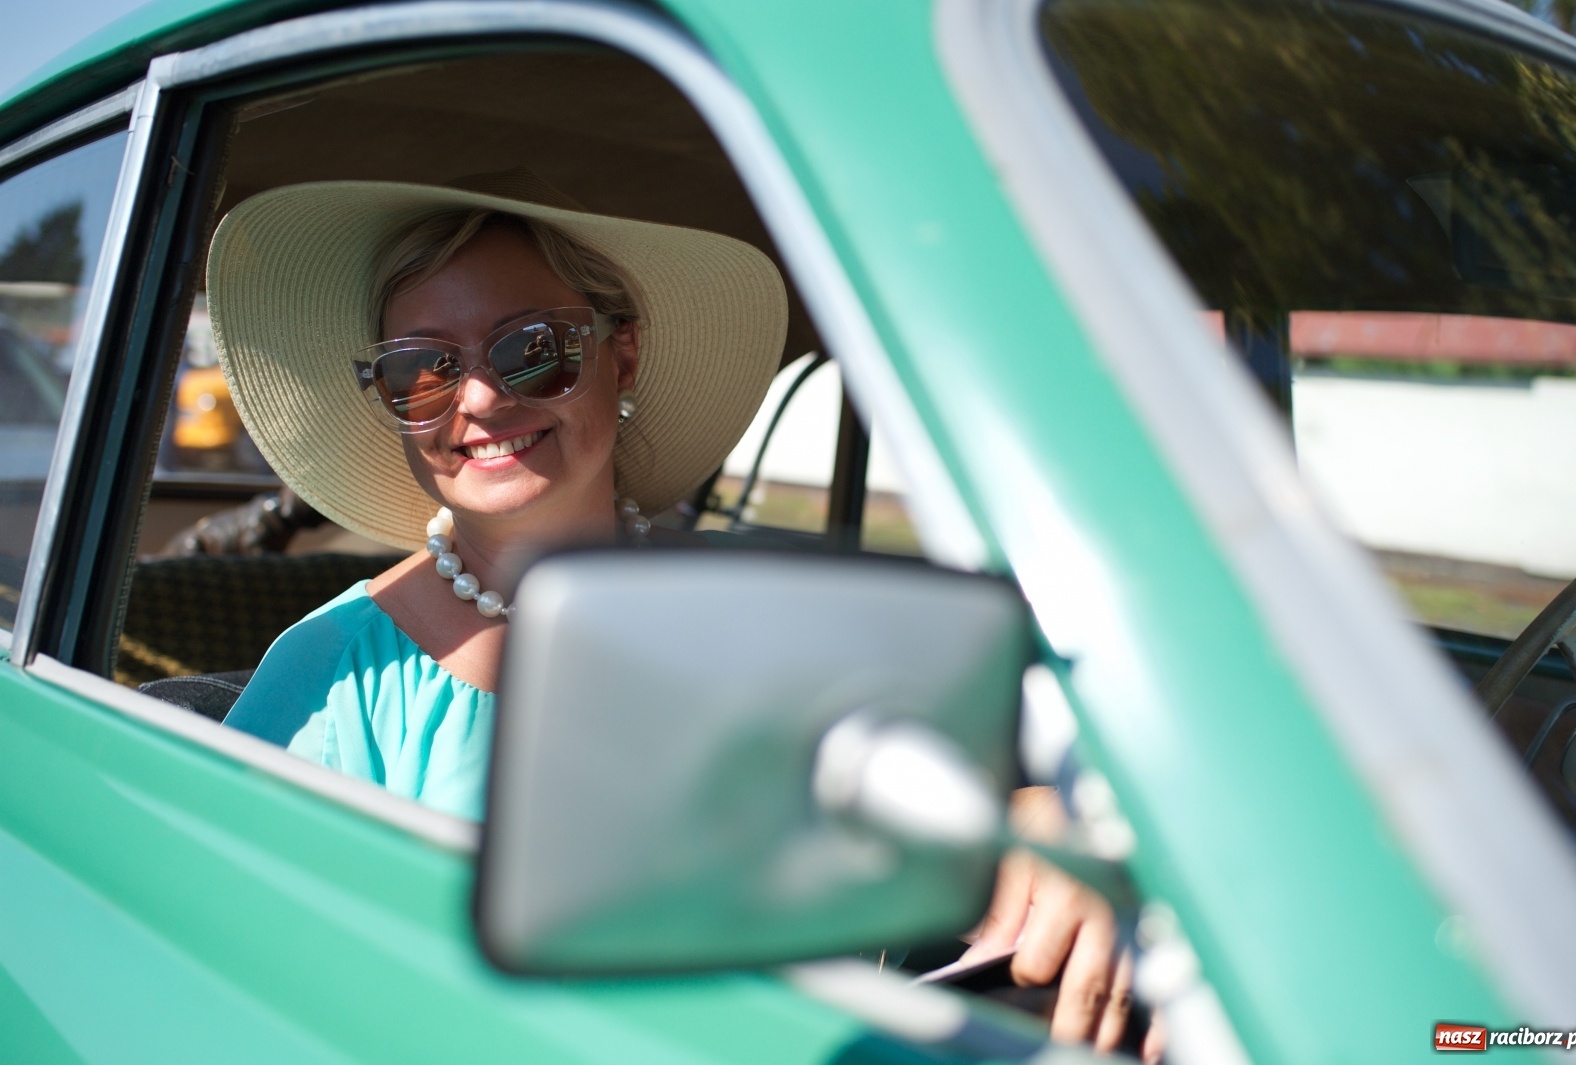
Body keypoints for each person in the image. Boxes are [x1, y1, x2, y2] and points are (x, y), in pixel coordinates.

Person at [207, 170, 1152, 1057]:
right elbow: (235, 973)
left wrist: (1041, 835)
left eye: (532, 349)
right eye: (423, 369)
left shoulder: (775, 621)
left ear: (621, 356)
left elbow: (911, 824)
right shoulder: (332, 675)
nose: (482, 398)